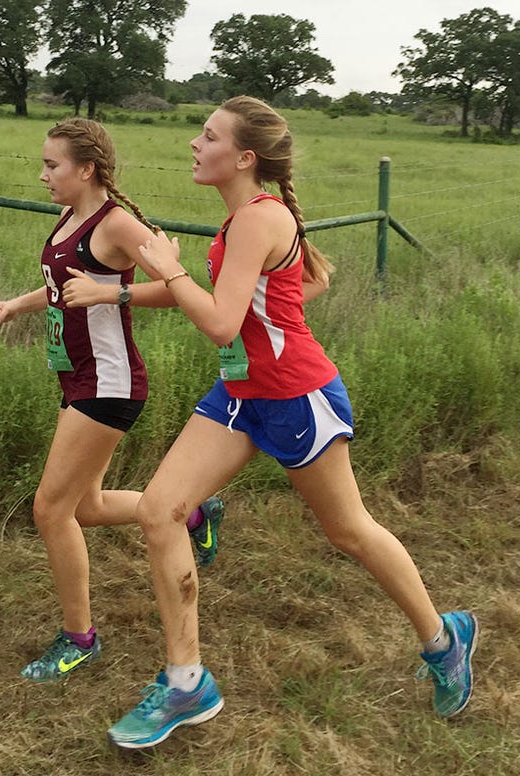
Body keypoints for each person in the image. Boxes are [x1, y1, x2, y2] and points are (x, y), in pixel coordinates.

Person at [74, 96, 478, 749]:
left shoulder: (258, 221)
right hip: (239, 393)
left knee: (349, 530)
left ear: (243, 158)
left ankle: (444, 639)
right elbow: (302, 281)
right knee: (158, 510)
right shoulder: (244, 222)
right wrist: (123, 289)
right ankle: (186, 681)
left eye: (206, 136)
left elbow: (220, 322)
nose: (193, 145)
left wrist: (167, 269)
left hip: (296, 397)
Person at [0, 117, 224, 684]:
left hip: (109, 385)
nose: (43, 174)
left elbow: (178, 288)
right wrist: (17, 306)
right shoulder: (70, 215)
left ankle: (79, 638)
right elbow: (61, 284)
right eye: (43, 164)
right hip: (78, 379)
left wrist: (110, 290)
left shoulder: (116, 223)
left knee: (51, 510)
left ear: (86, 169)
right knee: (85, 508)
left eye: (52, 165)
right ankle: (193, 514)